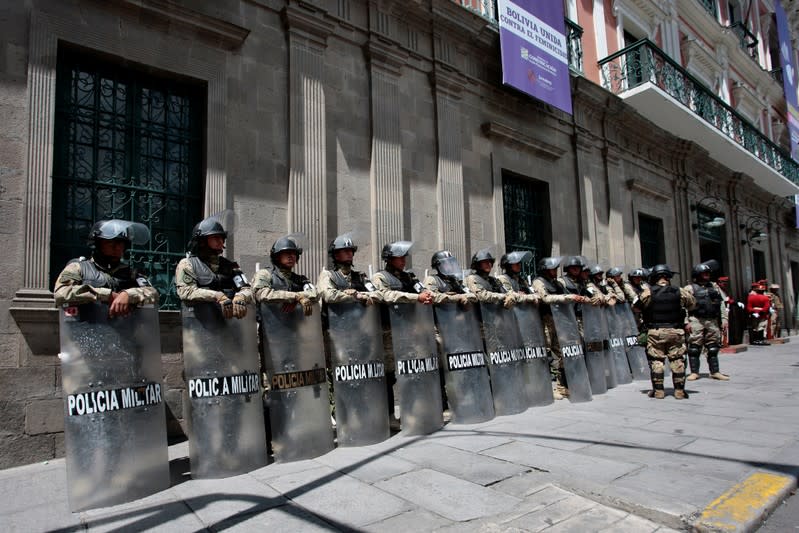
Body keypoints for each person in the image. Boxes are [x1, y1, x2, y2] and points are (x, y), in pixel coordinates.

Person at [372, 241, 434, 424]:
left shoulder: (409, 277)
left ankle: (413, 411)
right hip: (389, 331)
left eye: (404, 256)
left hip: (410, 331)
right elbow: (386, 295)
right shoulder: (379, 277)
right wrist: (417, 298)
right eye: (399, 257)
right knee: (389, 375)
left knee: (413, 372)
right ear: (389, 259)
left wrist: (427, 294)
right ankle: (390, 416)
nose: (403, 260)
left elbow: (422, 290)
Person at [55, 219, 158, 311]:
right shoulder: (78, 268)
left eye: (120, 244)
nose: (116, 248)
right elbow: (61, 293)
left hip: (124, 330)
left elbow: (153, 293)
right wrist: (106, 295)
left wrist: (128, 295)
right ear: (98, 244)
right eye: (110, 243)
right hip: (87, 329)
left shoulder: (132, 273)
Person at [175, 213, 252, 316]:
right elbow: (186, 291)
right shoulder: (187, 264)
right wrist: (216, 295)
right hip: (199, 323)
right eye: (216, 238)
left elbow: (247, 289)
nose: (221, 242)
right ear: (202, 241)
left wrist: (241, 296)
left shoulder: (230, 265)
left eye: (222, 238)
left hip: (230, 325)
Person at [532, 257, 587, 399]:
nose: (555, 271)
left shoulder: (556, 283)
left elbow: (566, 294)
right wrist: (567, 298)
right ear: (545, 269)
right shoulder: (538, 282)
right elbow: (545, 298)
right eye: (552, 268)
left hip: (558, 321)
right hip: (545, 322)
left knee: (561, 355)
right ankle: (544, 388)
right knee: (546, 354)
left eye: (556, 268)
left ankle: (561, 386)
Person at [639, 264, 696, 399]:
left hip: (655, 332)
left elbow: (636, 307)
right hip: (676, 331)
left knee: (656, 360)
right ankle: (679, 391)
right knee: (677, 360)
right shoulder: (679, 291)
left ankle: (658, 391)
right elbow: (693, 304)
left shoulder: (648, 292)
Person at [684, 263, 728, 381]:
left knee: (713, 347)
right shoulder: (689, 289)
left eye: (708, 273)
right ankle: (694, 373)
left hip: (712, 320)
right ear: (697, 275)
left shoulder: (714, 287)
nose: (707, 275)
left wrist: (724, 319)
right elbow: (683, 306)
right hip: (696, 320)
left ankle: (715, 372)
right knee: (694, 347)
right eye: (704, 273)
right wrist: (686, 321)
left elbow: (722, 304)